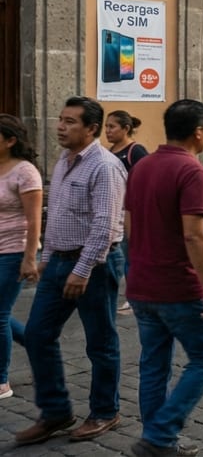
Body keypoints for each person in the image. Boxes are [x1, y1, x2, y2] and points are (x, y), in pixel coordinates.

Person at [17, 97, 126, 445]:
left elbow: (105, 226)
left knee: (100, 342)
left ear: (91, 129)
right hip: (60, 261)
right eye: (61, 120)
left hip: (94, 263)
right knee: (37, 334)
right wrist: (47, 256)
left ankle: (105, 411)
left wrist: (81, 271)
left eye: (70, 122)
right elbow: (60, 214)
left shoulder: (104, 167)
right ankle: (56, 411)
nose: (60, 127)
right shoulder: (65, 161)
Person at [123, 99, 203, 457]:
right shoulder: (192, 171)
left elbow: (130, 225)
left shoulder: (143, 166)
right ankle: (161, 433)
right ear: (199, 132)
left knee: (154, 363)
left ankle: (159, 441)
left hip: (141, 283)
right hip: (178, 287)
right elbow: (194, 235)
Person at [0, 115, 42, 400]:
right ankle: (40, 347)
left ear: (10, 140)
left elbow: (34, 219)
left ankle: (2, 381)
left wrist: (29, 257)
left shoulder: (25, 172)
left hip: (13, 251)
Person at [106, 110, 147, 315]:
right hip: (113, 212)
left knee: (128, 256)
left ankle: (135, 297)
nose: (107, 131)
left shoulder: (135, 151)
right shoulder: (110, 151)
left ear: (126, 128)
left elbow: (146, 180)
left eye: (112, 126)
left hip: (130, 213)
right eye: (106, 126)